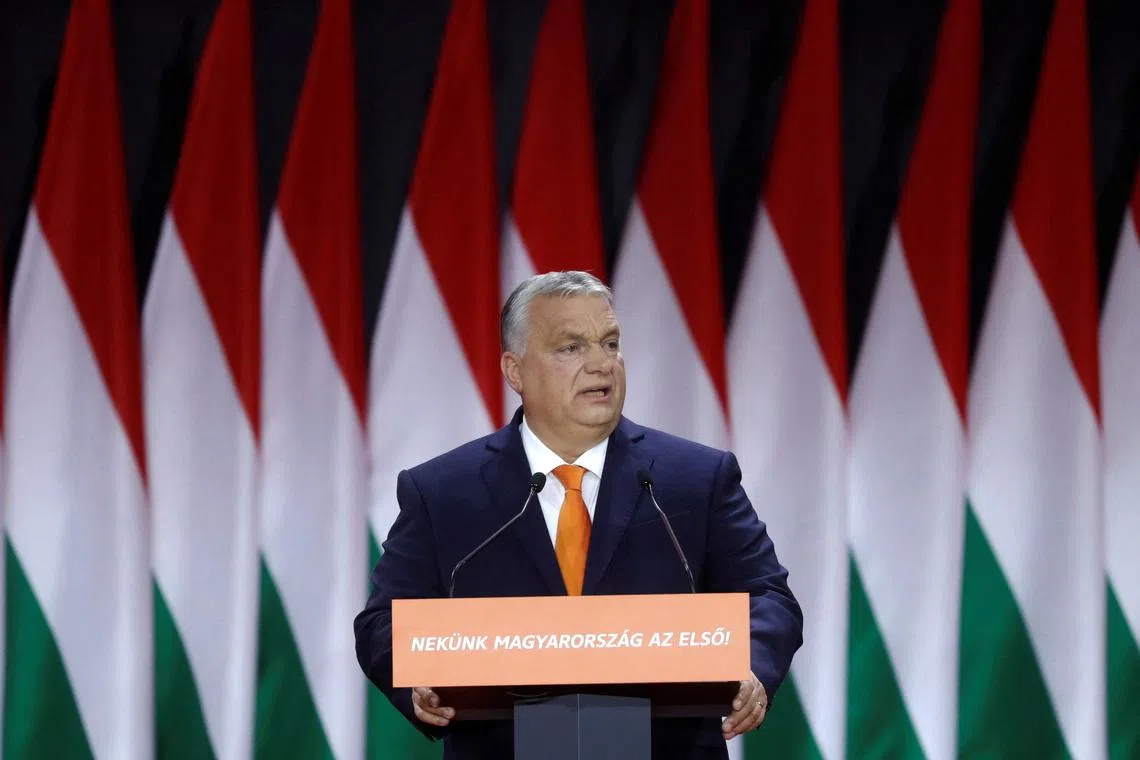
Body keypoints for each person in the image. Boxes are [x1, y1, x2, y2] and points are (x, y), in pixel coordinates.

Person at [354, 270, 803, 759]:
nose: (600, 364)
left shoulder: (694, 478)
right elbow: (383, 622)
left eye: (609, 344)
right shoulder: (443, 491)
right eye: (571, 348)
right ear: (515, 370)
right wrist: (418, 679)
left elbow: (768, 594)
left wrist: (753, 667)